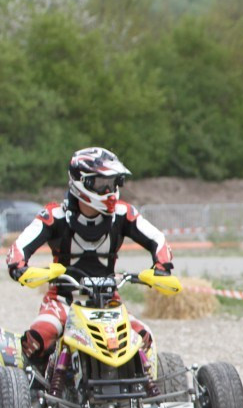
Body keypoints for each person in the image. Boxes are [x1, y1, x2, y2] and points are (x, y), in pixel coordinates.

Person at [5, 147, 173, 367]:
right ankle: (29, 391)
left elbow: (158, 239)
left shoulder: (123, 214)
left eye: (113, 183)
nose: (110, 190)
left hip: (109, 303)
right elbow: (19, 246)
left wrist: (161, 267)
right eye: (102, 184)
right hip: (63, 301)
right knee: (38, 337)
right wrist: (19, 267)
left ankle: (146, 390)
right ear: (80, 182)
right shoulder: (54, 216)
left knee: (143, 338)